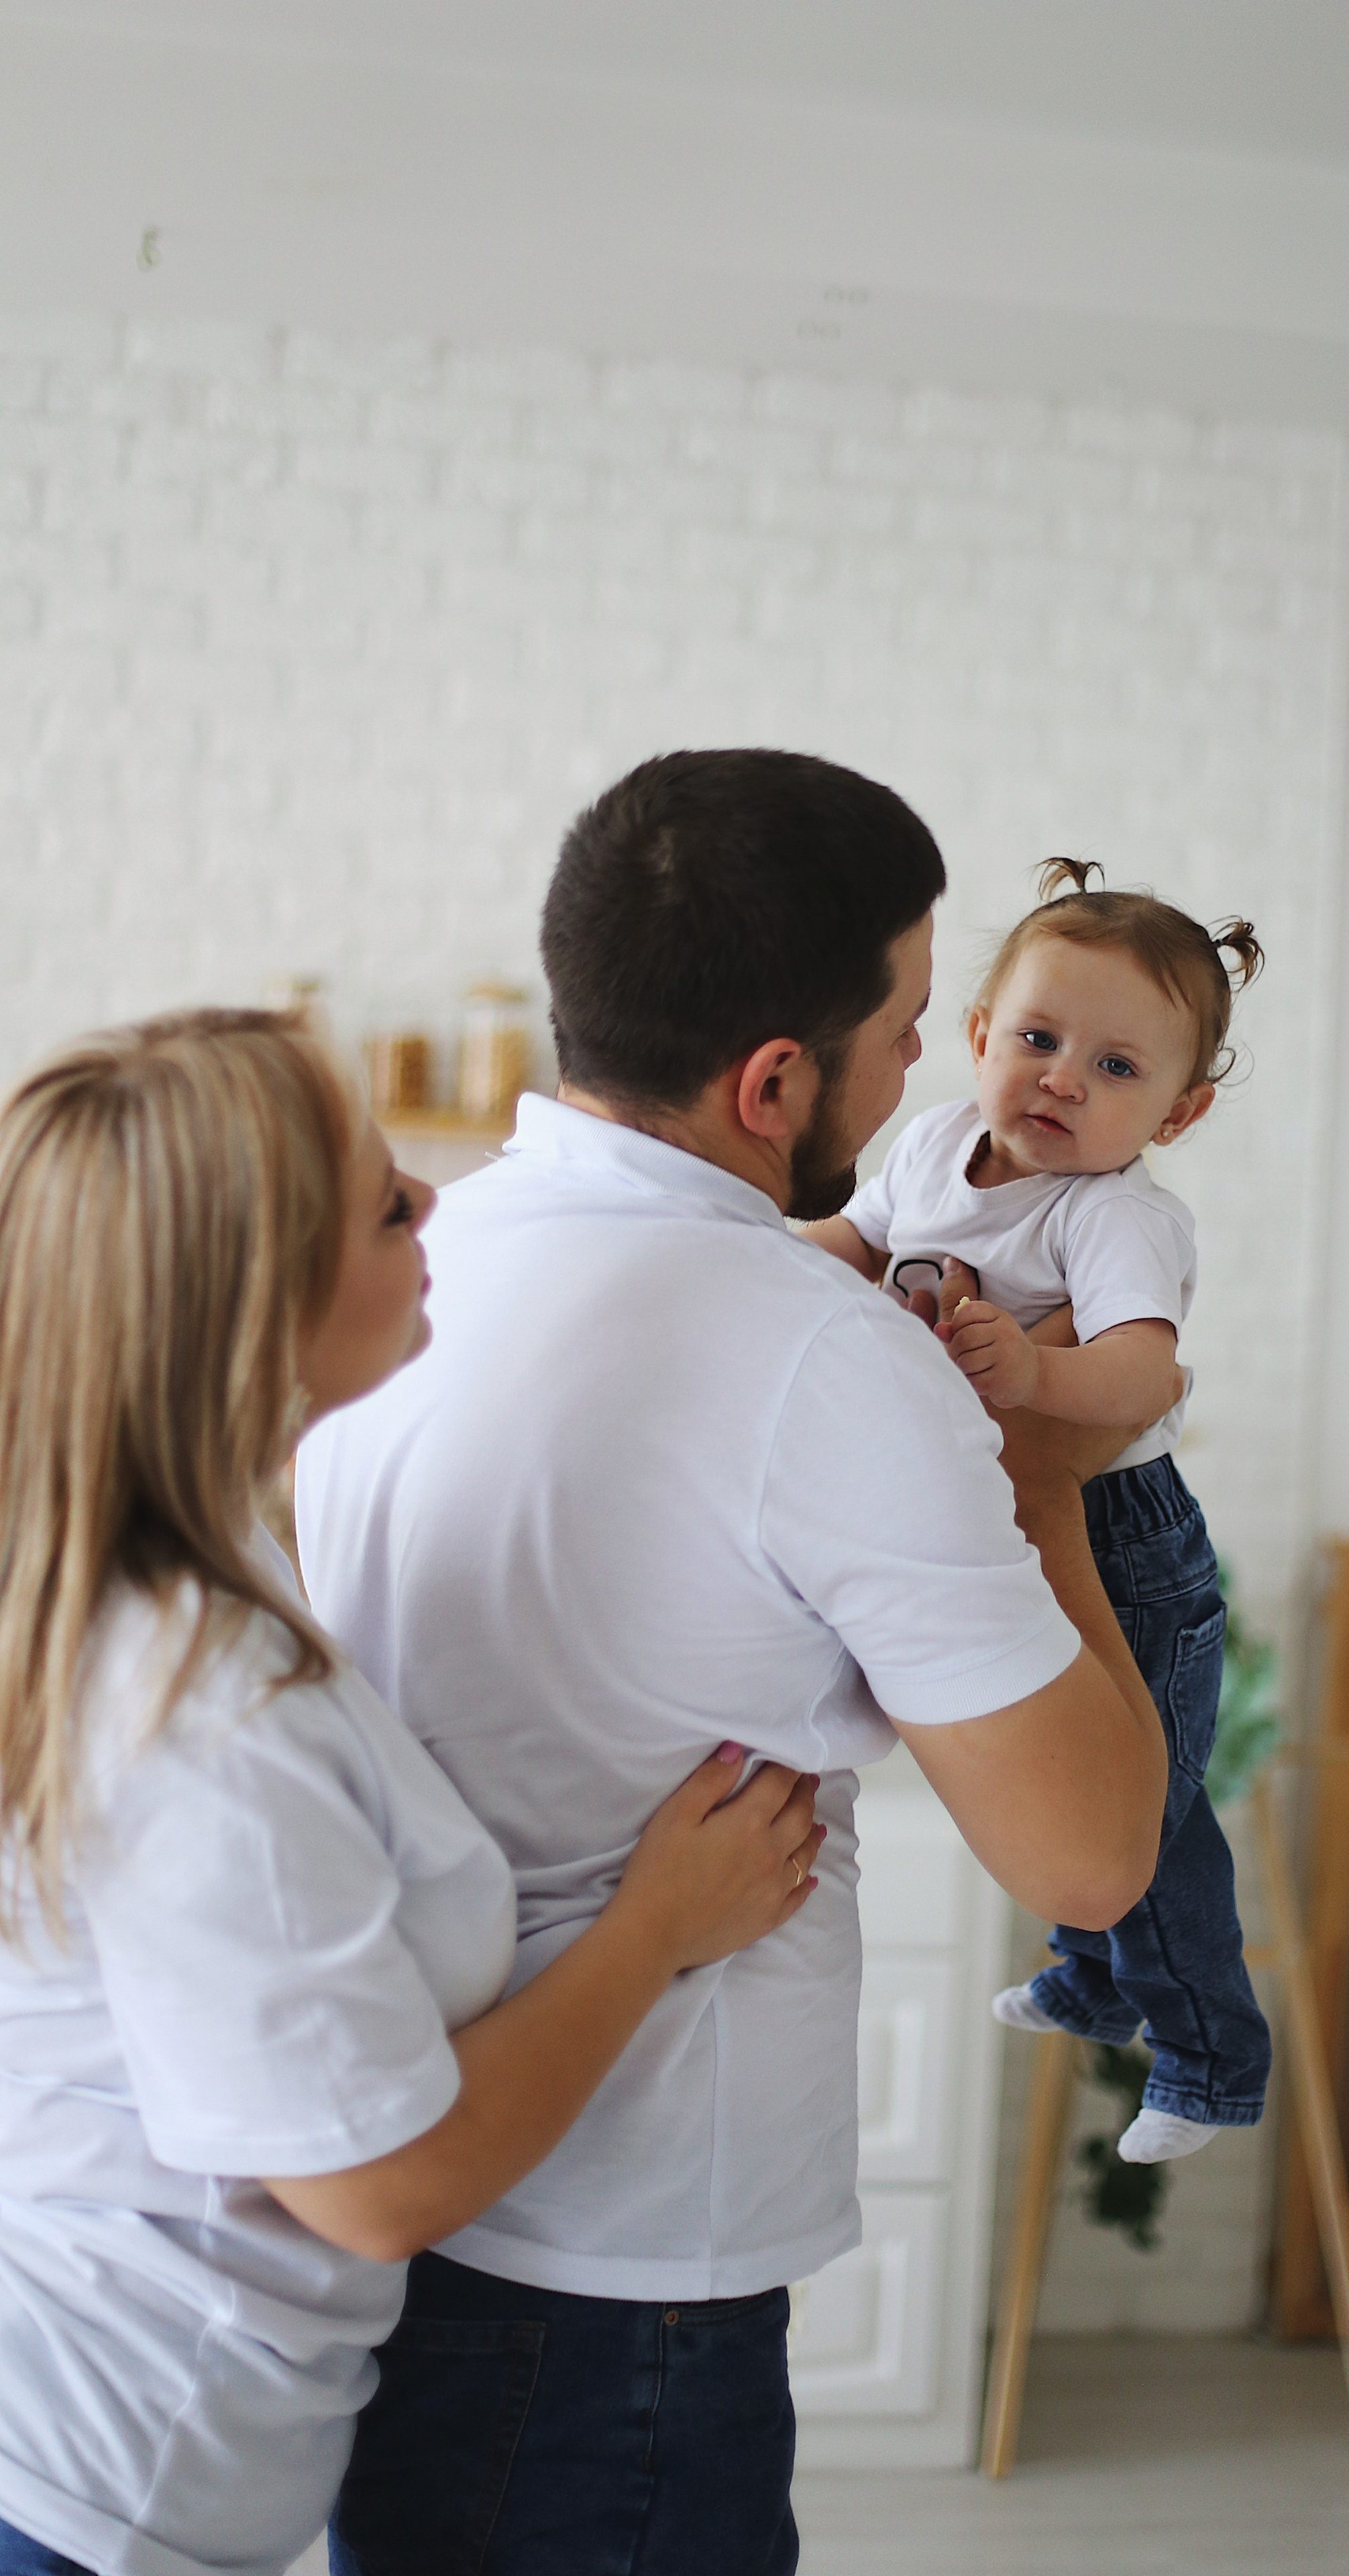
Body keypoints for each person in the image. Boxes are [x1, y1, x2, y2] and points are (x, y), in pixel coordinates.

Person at [296, 749, 1168, 2576]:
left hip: (395, 2196)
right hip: (623, 2289)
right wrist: (1052, 1466)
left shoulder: (421, 1264)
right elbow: (1089, 1856)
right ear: (778, 1081)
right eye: (916, 1024)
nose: (940, 1073)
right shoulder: (814, 1354)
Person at [0, 1008, 819, 2576]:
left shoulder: (161, 1556)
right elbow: (376, 2190)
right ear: (257, 1297)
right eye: (388, 1203)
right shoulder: (198, 1708)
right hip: (96, 2490)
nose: (434, 1209)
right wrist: (655, 1927)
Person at [808, 855, 1273, 2162]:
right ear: (975, 1039)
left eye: (1117, 1069)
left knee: (1150, 1804)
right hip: (992, 1513)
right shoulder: (930, 1145)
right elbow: (847, 1246)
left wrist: (1035, 1373)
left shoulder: (1117, 1218)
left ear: (1173, 1118)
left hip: (1125, 1534)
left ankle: (1207, 2057)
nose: (1063, 1076)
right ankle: (1087, 1973)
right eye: (1037, 1038)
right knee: (1053, 1758)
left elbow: (1144, 1369)